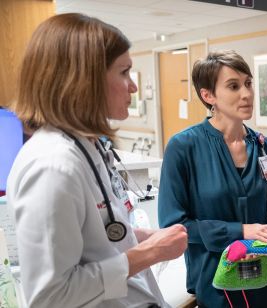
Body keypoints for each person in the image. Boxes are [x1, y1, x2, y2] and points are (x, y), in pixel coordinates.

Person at [6, 13, 187, 307]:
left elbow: (96, 239)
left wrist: (141, 236)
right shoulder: (52, 167)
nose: (133, 87)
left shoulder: (85, 147)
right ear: (83, 80)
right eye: (124, 72)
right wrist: (149, 253)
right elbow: (50, 296)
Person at [159, 50, 267, 308]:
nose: (246, 93)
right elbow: (176, 226)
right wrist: (241, 232)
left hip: (266, 284)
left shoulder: (265, 147)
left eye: (248, 83)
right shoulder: (184, 147)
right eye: (233, 86)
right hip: (216, 286)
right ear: (208, 95)